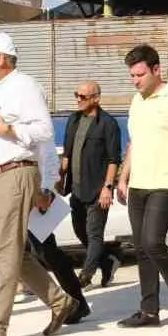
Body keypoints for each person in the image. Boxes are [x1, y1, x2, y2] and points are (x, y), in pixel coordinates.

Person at [0, 30, 75, 336]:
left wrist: (8, 129)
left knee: (7, 253)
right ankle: (59, 301)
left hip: (16, 174)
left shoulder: (24, 86)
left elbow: (43, 130)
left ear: (1, 57)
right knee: (7, 251)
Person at [117, 43, 168, 330]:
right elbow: (134, 142)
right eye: (132, 76)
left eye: (140, 75)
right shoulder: (137, 100)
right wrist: (123, 175)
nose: (136, 80)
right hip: (139, 182)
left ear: (156, 69)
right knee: (141, 247)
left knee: (154, 241)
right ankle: (149, 310)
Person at [61, 81, 122, 289]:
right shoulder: (73, 120)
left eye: (83, 96)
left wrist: (108, 187)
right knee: (80, 231)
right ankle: (107, 261)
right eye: (76, 95)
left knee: (94, 233)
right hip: (77, 189)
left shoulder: (108, 124)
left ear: (96, 98)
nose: (78, 99)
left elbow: (114, 159)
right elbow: (67, 155)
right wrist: (58, 178)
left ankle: (85, 276)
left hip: (98, 189)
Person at [32, 133, 92, 324]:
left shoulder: (32, 118)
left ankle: (76, 302)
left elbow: (48, 153)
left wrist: (47, 191)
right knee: (40, 252)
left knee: (47, 252)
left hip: (36, 195)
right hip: (17, 190)